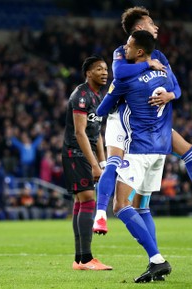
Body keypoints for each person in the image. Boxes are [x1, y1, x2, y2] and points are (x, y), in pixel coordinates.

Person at [93, 6, 192, 235]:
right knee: (115, 162)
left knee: (189, 151)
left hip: (151, 123)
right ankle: (101, 215)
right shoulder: (122, 52)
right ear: (139, 28)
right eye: (151, 23)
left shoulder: (159, 55)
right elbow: (120, 74)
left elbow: (176, 86)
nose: (156, 27)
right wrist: (147, 65)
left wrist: (169, 95)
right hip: (123, 118)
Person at [96, 30, 173, 283]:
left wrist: (107, 100)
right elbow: (175, 90)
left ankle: (157, 260)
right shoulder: (163, 72)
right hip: (160, 149)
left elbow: (103, 108)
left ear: (140, 51)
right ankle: (155, 263)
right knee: (143, 207)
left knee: (120, 205)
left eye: (129, 46)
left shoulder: (128, 79)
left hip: (138, 149)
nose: (124, 49)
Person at [61, 55, 112, 271]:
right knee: (88, 199)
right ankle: (86, 259)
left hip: (85, 155)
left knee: (81, 202)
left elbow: (97, 133)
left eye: (106, 69)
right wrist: (94, 164)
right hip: (76, 153)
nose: (105, 72)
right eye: (99, 69)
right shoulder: (81, 95)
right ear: (88, 72)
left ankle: (80, 259)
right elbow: (80, 133)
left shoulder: (97, 97)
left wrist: (103, 160)